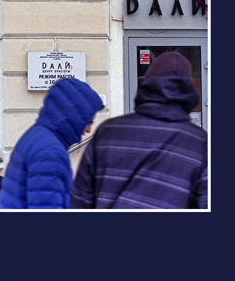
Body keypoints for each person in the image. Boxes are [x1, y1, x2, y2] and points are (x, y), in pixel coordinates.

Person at [69, 51, 207, 208]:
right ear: (188, 91)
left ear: (147, 84)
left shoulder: (107, 132)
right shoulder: (199, 143)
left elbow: (80, 202)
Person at [0, 77, 103, 209]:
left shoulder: (38, 135)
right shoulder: (50, 151)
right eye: (89, 122)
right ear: (73, 117)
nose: (89, 130)